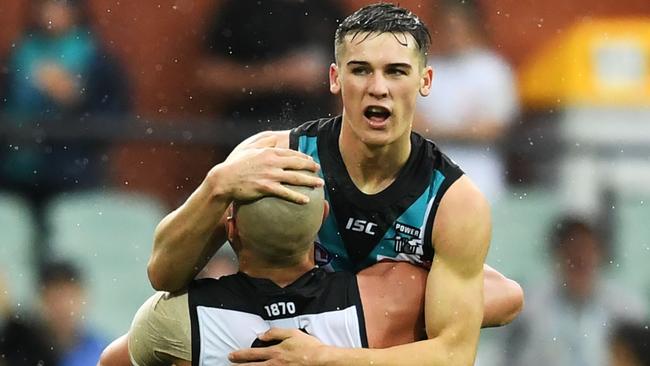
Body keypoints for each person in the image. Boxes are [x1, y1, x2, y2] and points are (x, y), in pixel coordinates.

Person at [147, 3, 523, 364]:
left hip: (358, 344)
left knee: (500, 297)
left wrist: (326, 357)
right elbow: (163, 275)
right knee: (133, 346)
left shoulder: (453, 202)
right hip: (269, 328)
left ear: (425, 81)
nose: (378, 87)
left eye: (395, 71)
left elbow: (454, 356)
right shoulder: (275, 156)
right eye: (360, 70)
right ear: (335, 78)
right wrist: (217, 185)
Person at [99, 175, 431, 366]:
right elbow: (474, 292)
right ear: (323, 218)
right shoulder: (388, 299)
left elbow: (108, 363)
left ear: (230, 228)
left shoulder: (174, 318)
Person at [0, 0, 130, 265]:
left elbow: (113, 116)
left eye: (59, 7)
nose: (51, 14)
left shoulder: (97, 60)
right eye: (45, 7)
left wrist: (75, 98)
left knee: (66, 247)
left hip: (72, 173)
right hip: (17, 170)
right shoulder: (19, 54)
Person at [501, 216, 648, 366]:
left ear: (601, 254)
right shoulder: (528, 309)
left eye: (587, 249)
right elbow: (506, 358)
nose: (580, 257)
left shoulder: (628, 309)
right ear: (557, 254)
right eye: (572, 250)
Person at [414, 0, 518, 201]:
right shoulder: (426, 69)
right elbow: (412, 124)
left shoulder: (493, 70)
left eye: (457, 26)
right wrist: (465, 127)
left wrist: (436, 129)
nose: (452, 33)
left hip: (480, 181)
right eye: (446, 26)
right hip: (429, 182)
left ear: (473, 26)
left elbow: (494, 129)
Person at [196, 0, 343, 134]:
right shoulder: (243, 9)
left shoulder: (326, 9)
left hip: (313, 139)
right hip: (249, 136)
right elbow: (210, 77)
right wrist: (282, 74)